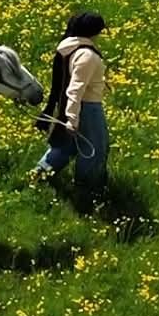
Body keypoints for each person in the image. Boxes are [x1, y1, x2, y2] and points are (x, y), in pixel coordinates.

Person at [34, 11, 109, 193]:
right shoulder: (87, 55)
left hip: (76, 106)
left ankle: (41, 173)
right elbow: (75, 89)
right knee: (96, 148)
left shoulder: (69, 49)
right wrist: (72, 118)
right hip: (88, 108)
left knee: (67, 145)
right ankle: (86, 187)